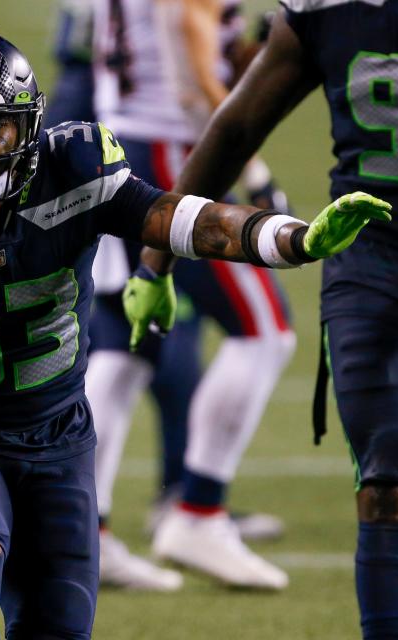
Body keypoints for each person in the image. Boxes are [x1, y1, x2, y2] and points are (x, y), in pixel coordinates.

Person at [0, 26, 390, 639]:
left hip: (58, 434)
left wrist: (289, 238)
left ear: (26, 125)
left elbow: (181, 218)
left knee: (58, 622)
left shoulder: (73, 169)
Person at [132, 2, 398, 638]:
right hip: (376, 278)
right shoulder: (328, 12)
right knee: (392, 489)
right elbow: (237, 126)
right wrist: (157, 259)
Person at [87, 0, 296, 590]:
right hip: (173, 149)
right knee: (265, 332)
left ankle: (83, 532)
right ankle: (198, 511)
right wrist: (255, 171)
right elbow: (188, 44)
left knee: (127, 346)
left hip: (122, 141)